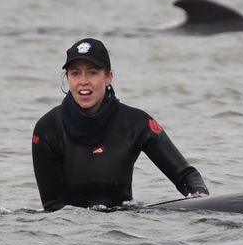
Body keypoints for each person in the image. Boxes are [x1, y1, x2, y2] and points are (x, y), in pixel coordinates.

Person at [32, 38, 209, 211]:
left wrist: (201, 199)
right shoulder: (47, 129)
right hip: (70, 235)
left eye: (92, 72)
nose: (83, 81)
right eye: (75, 73)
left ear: (109, 77)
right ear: (68, 78)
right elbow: (53, 209)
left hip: (123, 229)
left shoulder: (135, 123)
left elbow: (186, 176)